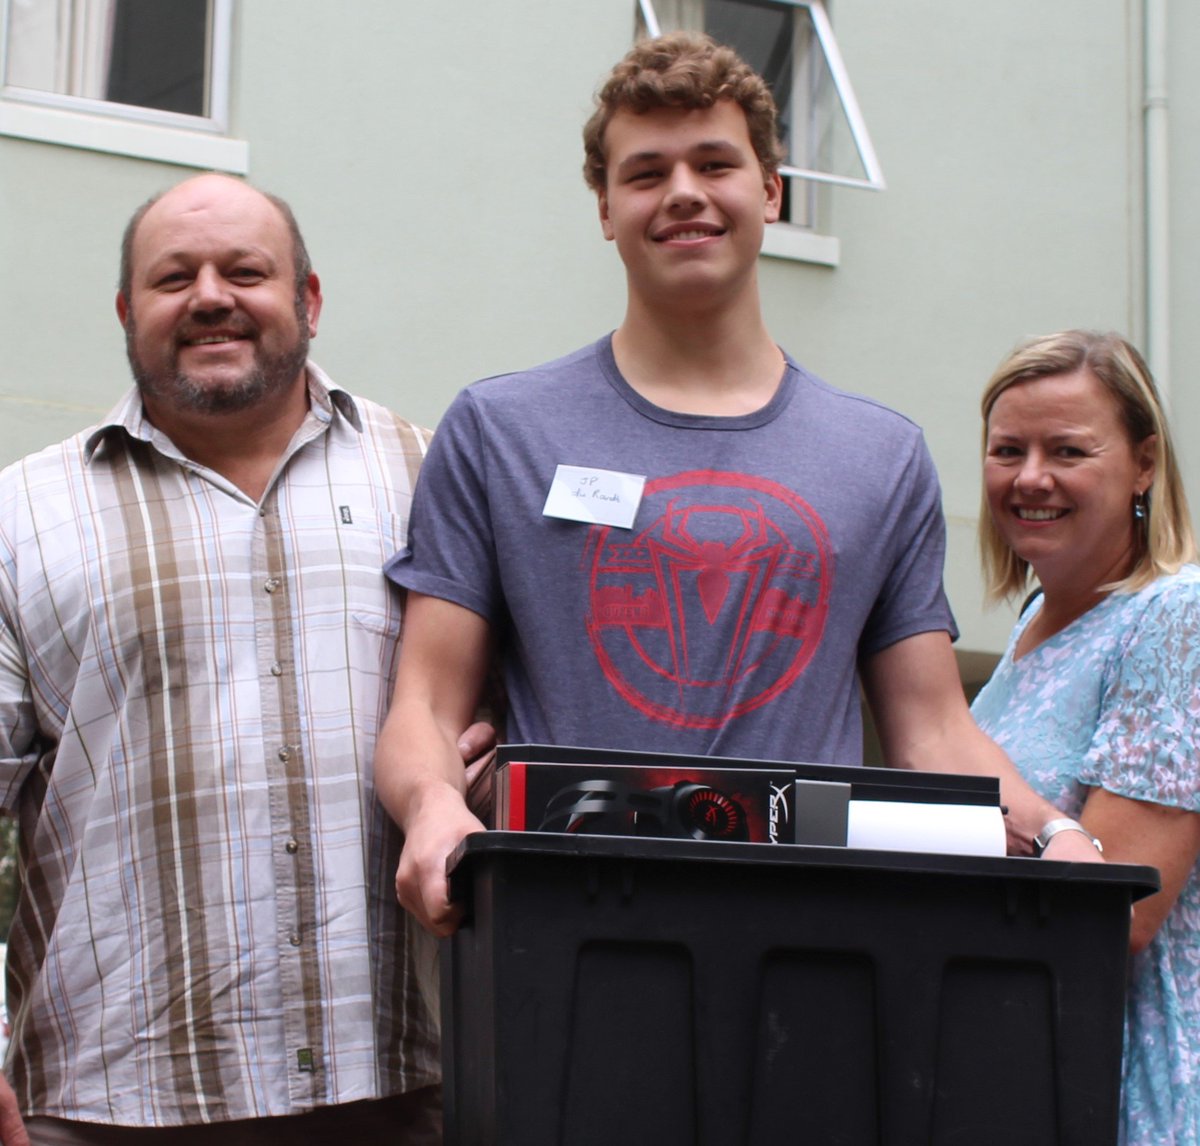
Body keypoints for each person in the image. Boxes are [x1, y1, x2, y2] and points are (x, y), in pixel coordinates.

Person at [373, 32, 1101, 941]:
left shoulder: (880, 455)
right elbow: (426, 706)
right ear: (604, 207)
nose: (683, 191)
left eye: (715, 162)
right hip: (564, 927)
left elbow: (931, 733)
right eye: (646, 173)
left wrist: (1057, 833)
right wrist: (433, 807)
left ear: (770, 191)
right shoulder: (500, 429)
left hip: (815, 934)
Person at [0, 173, 489, 1144]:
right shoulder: (21, 517)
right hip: (109, 1101)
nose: (211, 295)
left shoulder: (430, 477)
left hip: (401, 1089)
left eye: (246, 271)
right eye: (173, 277)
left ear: (307, 299)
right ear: (126, 309)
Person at [970, 330, 1200, 1146]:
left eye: (1068, 450)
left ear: (1143, 463)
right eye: (1008, 450)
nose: (1032, 478)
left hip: (1125, 1077)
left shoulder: (1176, 616)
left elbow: (1126, 907)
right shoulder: (1038, 618)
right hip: (1026, 1053)